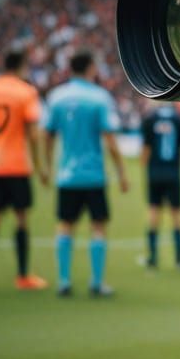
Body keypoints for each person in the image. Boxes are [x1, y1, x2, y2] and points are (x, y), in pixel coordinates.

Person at [44, 51, 128, 297]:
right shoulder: (99, 98)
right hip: (93, 175)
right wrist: (121, 172)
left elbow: (47, 136)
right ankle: (97, 282)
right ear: (91, 67)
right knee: (98, 226)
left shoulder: (56, 97)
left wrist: (47, 166)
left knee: (65, 226)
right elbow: (110, 141)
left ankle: (63, 281)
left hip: (67, 175)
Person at [0, 49, 49, 292]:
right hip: (17, 165)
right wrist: (39, 165)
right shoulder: (26, 92)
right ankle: (23, 275)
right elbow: (34, 134)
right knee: (21, 218)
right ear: (21, 66)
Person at [137, 102, 180, 270]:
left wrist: (143, 167)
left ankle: (152, 259)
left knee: (153, 212)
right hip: (173, 174)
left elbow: (145, 149)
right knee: (176, 216)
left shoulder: (150, 119)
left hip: (154, 173)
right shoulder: (179, 120)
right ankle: (179, 261)